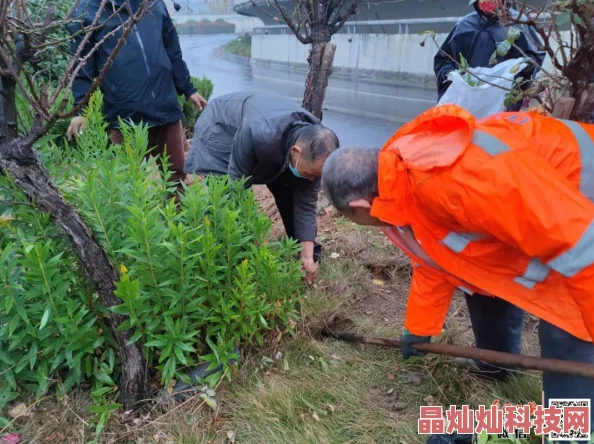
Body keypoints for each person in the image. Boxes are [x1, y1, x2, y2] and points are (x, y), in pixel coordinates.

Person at [321, 104, 594, 429]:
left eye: (350, 219)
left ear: (359, 206)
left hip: (581, 225)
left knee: (568, 330)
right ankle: (498, 366)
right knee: (479, 283)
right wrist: (419, 328)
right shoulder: (399, 177)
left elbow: (581, 249)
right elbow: (437, 259)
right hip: (558, 221)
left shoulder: (456, 182)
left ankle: (571, 431)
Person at [184, 91, 340, 284]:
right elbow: (237, 188)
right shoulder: (259, 133)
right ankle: (223, 262)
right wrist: (258, 243)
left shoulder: (319, 146)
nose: (311, 180)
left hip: (268, 135)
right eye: (309, 174)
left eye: (315, 176)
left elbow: (306, 203)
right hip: (222, 125)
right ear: (295, 152)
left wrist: (307, 253)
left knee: (291, 186)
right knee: (222, 197)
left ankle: (300, 255)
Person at [66, 0, 208, 194]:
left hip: (164, 107)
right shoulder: (87, 11)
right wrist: (80, 111)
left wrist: (188, 88)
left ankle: (178, 220)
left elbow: (172, 50)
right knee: (127, 184)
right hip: (125, 115)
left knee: (176, 178)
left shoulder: (153, 3)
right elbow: (82, 67)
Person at [434, 0, 545, 111]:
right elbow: (444, 59)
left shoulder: (519, 25)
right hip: (467, 99)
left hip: (501, 100)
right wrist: (450, 74)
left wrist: (523, 67)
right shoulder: (465, 25)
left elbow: (534, 57)